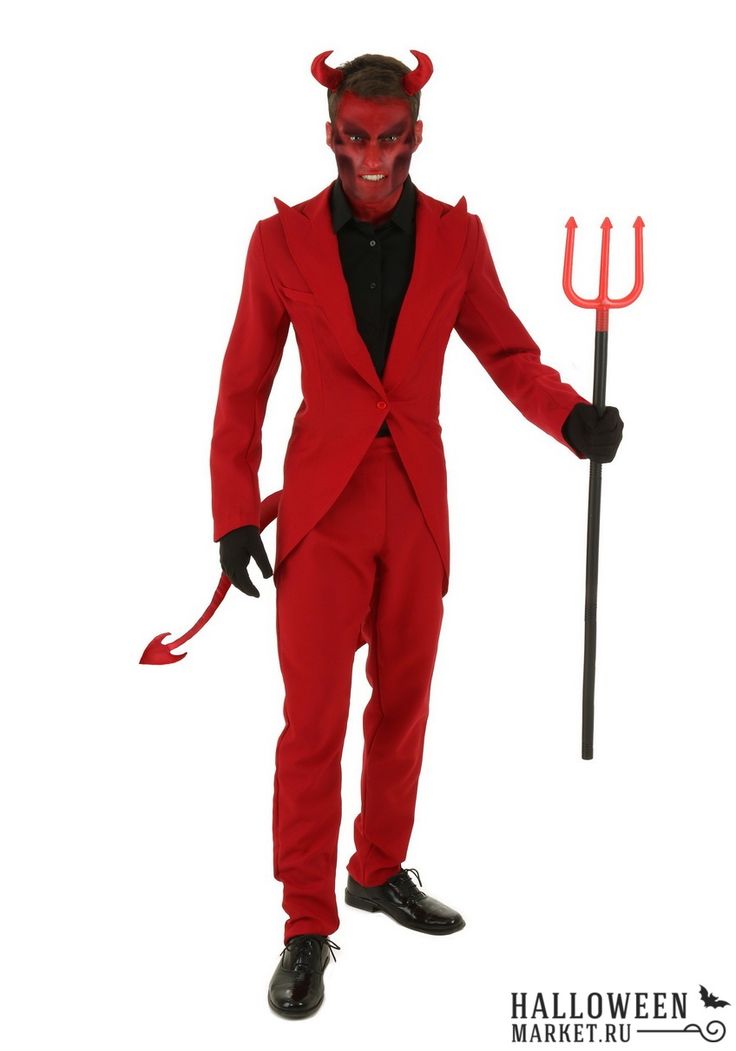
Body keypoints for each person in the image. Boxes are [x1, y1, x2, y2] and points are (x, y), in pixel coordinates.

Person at [210, 49, 623, 1019]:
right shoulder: (279, 244)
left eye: (390, 138)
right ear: (330, 134)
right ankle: (305, 922)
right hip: (322, 509)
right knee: (313, 720)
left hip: (419, 503)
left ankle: (377, 868)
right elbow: (243, 386)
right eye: (355, 137)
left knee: (403, 704)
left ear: (417, 136)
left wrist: (570, 417)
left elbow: (506, 350)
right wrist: (232, 514)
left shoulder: (455, 238)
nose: (372, 157)